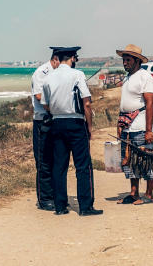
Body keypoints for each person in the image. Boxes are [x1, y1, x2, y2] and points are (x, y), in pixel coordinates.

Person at [41, 46, 102, 216]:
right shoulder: (77, 75)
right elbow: (87, 103)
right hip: (75, 122)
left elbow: (45, 104)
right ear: (73, 58)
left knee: (59, 166)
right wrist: (89, 126)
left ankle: (60, 206)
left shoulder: (48, 78)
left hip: (56, 122)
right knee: (82, 165)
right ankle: (85, 206)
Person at [115, 44, 153, 205]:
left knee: (146, 159)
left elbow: (149, 104)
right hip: (128, 126)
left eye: (128, 60)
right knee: (129, 160)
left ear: (136, 61)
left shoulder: (144, 77)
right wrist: (120, 125)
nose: (125, 63)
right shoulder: (128, 77)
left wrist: (149, 130)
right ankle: (134, 193)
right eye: (123, 60)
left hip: (141, 126)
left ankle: (148, 194)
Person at [30, 48, 61, 211]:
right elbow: (39, 96)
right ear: (55, 59)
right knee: (43, 161)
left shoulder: (58, 73)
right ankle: (45, 199)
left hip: (55, 119)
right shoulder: (41, 73)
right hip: (43, 120)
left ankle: (55, 195)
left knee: (55, 159)